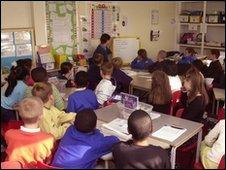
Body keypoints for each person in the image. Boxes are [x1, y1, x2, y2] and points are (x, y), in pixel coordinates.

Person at [51, 109, 119, 169]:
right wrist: (97, 132)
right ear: (95, 126)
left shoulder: (70, 130)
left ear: (74, 122)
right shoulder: (96, 143)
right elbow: (115, 140)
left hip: (54, 166)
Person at [5, 97, 54, 165]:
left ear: (20, 114)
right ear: (41, 116)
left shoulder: (9, 134)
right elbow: (48, 160)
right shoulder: (49, 138)